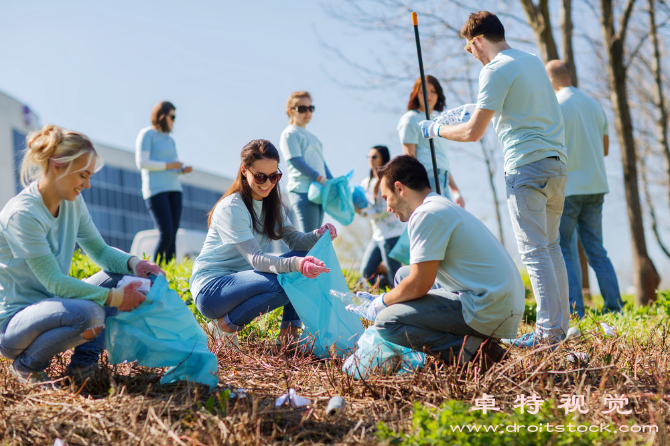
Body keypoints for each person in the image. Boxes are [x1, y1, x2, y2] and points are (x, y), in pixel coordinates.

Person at [420, 11, 569, 347]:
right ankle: (559, 329)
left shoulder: (493, 69)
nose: (472, 57)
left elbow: (473, 133)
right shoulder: (530, 59)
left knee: (534, 252)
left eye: (469, 50)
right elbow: (518, 105)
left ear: (477, 41)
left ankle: (547, 334)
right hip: (556, 164)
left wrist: (436, 129)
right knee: (551, 247)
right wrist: (474, 105)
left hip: (526, 167)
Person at [0, 125, 164, 385]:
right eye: (83, 175)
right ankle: (27, 367)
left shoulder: (72, 202)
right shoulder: (23, 214)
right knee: (90, 314)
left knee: (125, 276)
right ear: (57, 166)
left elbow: (98, 250)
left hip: (57, 304)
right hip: (15, 323)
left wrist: (136, 264)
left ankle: (82, 369)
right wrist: (115, 297)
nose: (87, 185)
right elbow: (54, 281)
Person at [347, 156, 525, 371]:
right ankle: (467, 343)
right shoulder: (438, 206)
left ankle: (478, 352)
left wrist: (381, 302)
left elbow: (418, 285)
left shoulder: (427, 214)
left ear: (399, 188)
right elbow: (414, 279)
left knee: (387, 322)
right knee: (403, 275)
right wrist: (389, 299)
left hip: (489, 307)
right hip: (496, 299)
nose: (388, 208)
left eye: (386, 198)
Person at [190, 139, 336, 347]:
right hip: (212, 291)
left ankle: (288, 337)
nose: (267, 183)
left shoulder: (272, 205)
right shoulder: (232, 207)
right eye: (260, 176)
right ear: (244, 170)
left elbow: (295, 240)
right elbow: (257, 260)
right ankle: (224, 326)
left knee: (303, 260)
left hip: (244, 282)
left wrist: (318, 235)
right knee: (287, 281)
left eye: (274, 176)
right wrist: (295, 265)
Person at [545, 60, 623, 318]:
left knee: (564, 248)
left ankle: (576, 311)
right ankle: (615, 308)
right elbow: (605, 149)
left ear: (552, 79)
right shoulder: (594, 104)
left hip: (568, 188)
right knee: (596, 250)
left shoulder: (555, 105)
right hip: (596, 186)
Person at [136, 101, 193, 263]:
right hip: (155, 190)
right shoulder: (147, 135)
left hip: (174, 189)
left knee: (173, 234)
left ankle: (169, 273)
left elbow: (173, 164)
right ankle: (155, 272)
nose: (173, 121)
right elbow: (142, 163)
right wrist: (170, 165)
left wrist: (181, 169)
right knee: (166, 233)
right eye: (172, 117)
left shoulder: (170, 140)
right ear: (162, 116)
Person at [398, 76, 464, 205]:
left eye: (433, 91)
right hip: (426, 176)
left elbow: (442, 160)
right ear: (416, 94)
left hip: (443, 176)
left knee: (448, 220)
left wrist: (455, 190)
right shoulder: (411, 119)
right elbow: (409, 159)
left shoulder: (439, 121)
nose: (429, 95)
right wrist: (417, 187)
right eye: (423, 92)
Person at [279, 91, 333, 232]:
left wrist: (332, 182)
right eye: (302, 108)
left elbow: (322, 163)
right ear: (291, 111)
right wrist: (320, 178)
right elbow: (296, 161)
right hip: (302, 190)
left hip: (319, 190)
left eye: (310, 108)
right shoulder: (290, 133)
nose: (308, 112)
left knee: (316, 238)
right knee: (309, 239)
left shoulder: (314, 137)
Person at [357, 145, 406, 289]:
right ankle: (387, 296)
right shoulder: (366, 182)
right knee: (366, 272)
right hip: (377, 235)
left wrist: (366, 212)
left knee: (394, 275)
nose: (370, 160)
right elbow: (364, 204)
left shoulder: (389, 180)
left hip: (391, 234)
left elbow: (388, 207)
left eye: (374, 157)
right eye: (368, 157)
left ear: (383, 159)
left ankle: (400, 300)